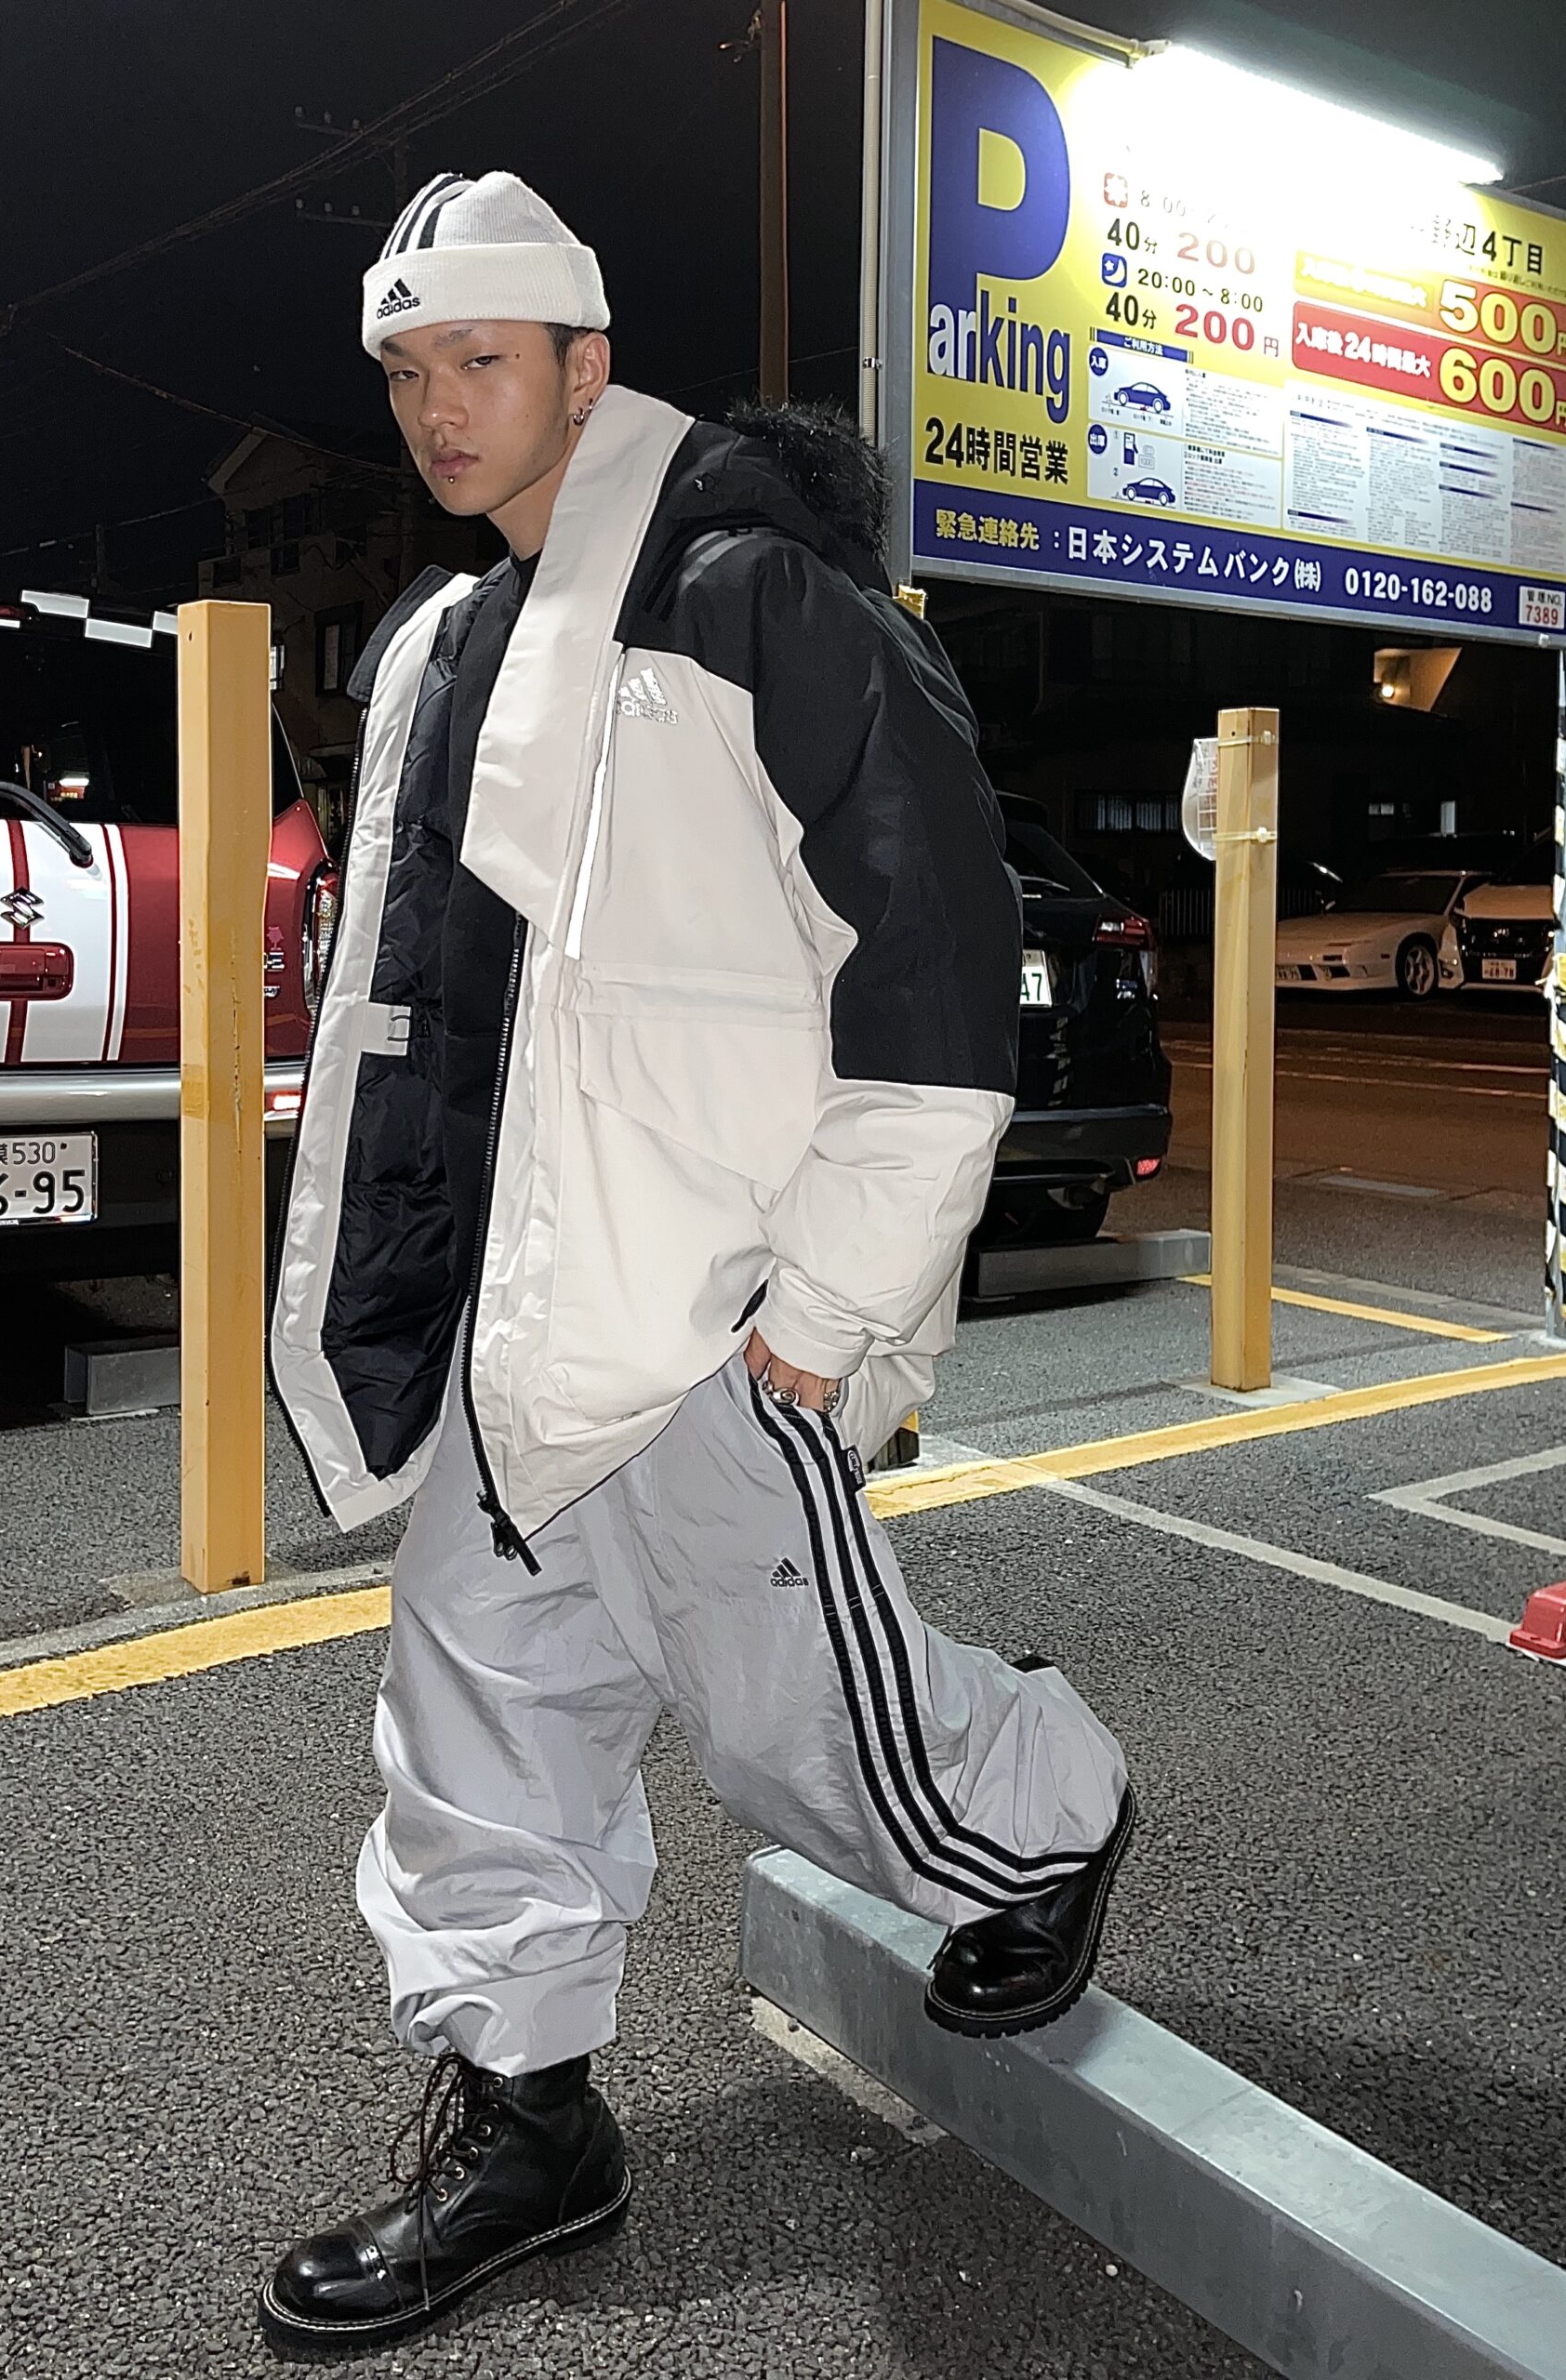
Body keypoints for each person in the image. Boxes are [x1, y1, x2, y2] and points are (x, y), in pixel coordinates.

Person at [262, 170, 1130, 2358]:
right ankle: (532, 2122)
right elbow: (418, 1010)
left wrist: (824, 1312)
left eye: (480, 358)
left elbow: (937, 982)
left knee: (805, 1736)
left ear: (587, 362)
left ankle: (1052, 1812)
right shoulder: (444, 643)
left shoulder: (769, 603)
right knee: (473, 1734)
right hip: (507, 1318)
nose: (439, 406)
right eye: (407, 370)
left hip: (713, 1313)